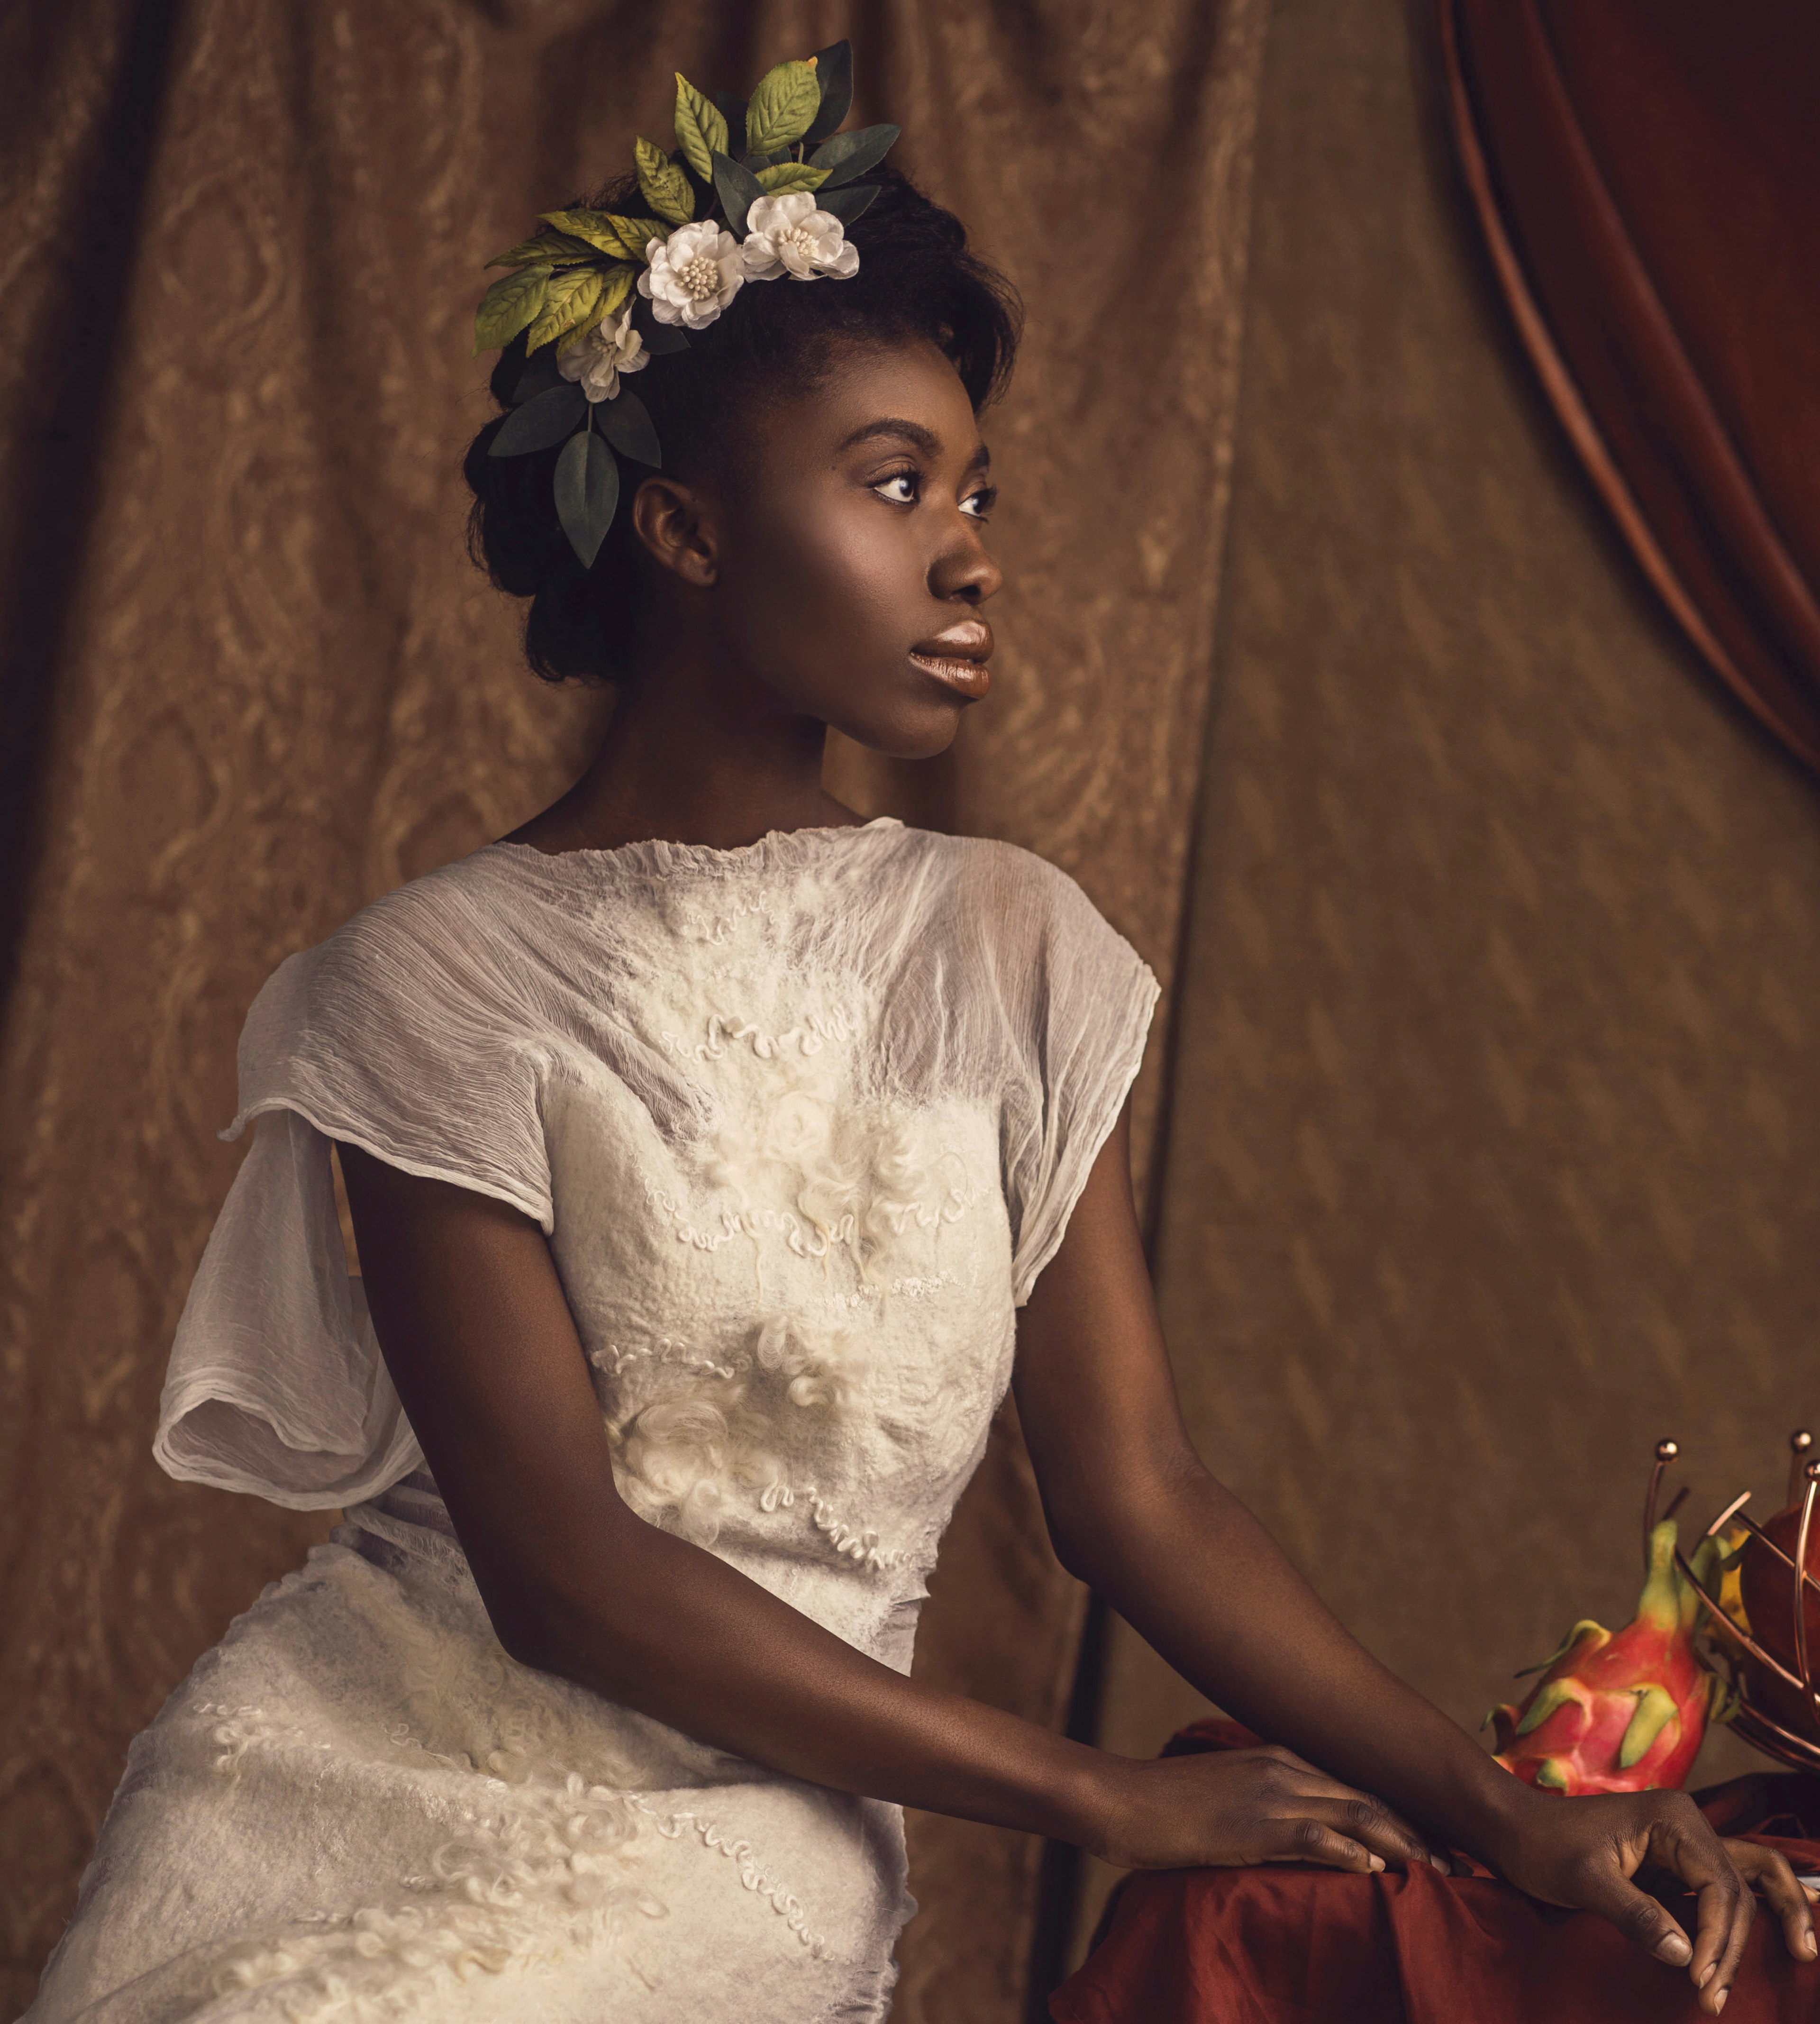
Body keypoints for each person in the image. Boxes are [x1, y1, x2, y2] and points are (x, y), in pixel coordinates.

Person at [24, 46, 1816, 2024]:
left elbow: (1136, 1493)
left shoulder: (1013, 950)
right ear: (690, 537)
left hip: (745, 1855)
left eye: (977, 492)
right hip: (361, 1772)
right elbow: (559, 1570)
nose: (971, 553)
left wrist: (1498, 1809)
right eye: (894, 485)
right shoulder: (423, 987)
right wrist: (1096, 1798)